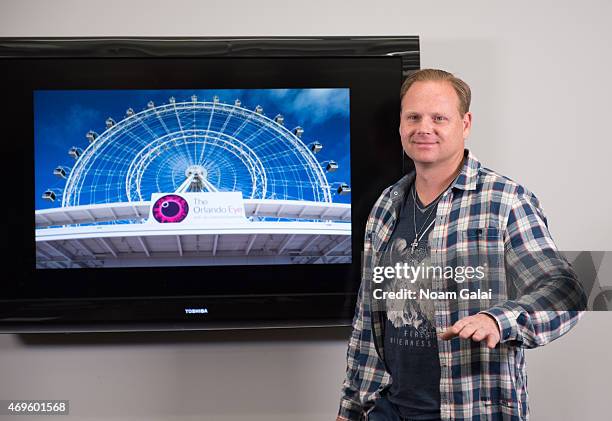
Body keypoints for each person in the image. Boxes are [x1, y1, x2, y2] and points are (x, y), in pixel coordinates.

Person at [336, 69, 586, 421]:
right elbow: (368, 320)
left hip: (469, 411)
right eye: (413, 117)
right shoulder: (385, 206)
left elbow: (565, 292)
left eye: (439, 117)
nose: (424, 127)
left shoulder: (505, 201)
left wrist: (498, 321)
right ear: (400, 125)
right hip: (387, 410)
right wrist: (350, 409)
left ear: (465, 124)